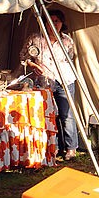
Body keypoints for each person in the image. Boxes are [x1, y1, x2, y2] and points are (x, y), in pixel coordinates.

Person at [21, 9, 79, 160]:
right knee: (49, 115)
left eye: (56, 21)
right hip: (44, 81)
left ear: (62, 23)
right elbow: (23, 57)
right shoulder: (35, 39)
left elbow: (71, 58)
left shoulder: (67, 40)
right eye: (50, 21)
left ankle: (71, 148)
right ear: (44, 23)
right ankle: (54, 147)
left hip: (65, 79)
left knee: (67, 114)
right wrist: (33, 65)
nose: (53, 24)